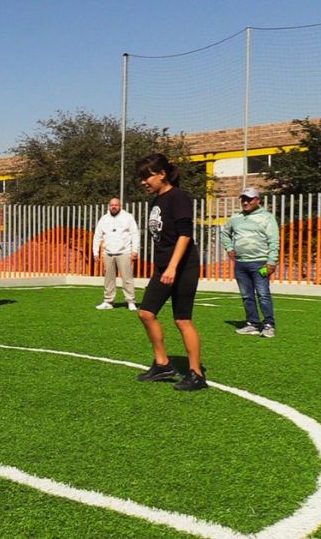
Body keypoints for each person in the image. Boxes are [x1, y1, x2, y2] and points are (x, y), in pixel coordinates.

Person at [134, 153, 207, 391]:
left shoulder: (179, 197)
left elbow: (185, 234)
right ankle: (163, 363)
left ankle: (196, 374)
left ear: (162, 174)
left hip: (183, 267)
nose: (143, 182)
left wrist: (174, 266)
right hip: (165, 267)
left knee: (182, 319)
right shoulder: (156, 200)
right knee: (146, 313)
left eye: (147, 176)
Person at [221, 187, 279, 338]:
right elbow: (225, 233)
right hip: (241, 264)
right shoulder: (235, 218)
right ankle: (252, 323)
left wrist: (271, 262)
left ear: (257, 200)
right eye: (243, 199)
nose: (245, 202)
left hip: (261, 264)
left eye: (249, 199)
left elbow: (274, 240)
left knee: (263, 294)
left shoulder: (267, 217)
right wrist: (229, 248)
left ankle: (268, 325)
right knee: (246, 295)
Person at [92, 198, 140, 311]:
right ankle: (108, 301)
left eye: (116, 205)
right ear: (109, 206)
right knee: (109, 279)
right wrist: (95, 252)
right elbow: (97, 235)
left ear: (120, 206)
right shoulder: (104, 219)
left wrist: (135, 250)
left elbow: (135, 234)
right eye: (111, 205)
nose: (113, 207)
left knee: (127, 278)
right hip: (108, 253)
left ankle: (130, 301)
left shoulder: (128, 217)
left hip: (124, 252)